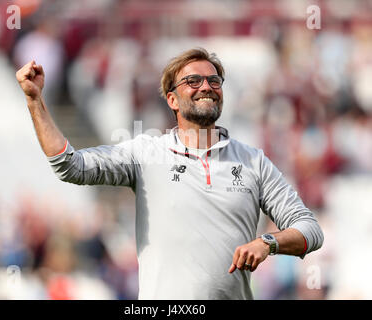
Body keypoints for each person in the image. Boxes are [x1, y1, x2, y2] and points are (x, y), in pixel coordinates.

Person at [16, 47, 323, 300]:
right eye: (193, 81)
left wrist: (267, 242)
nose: (206, 87)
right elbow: (71, 166)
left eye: (214, 81)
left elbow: (310, 229)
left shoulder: (253, 161)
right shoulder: (146, 153)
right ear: (172, 99)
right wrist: (34, 101)